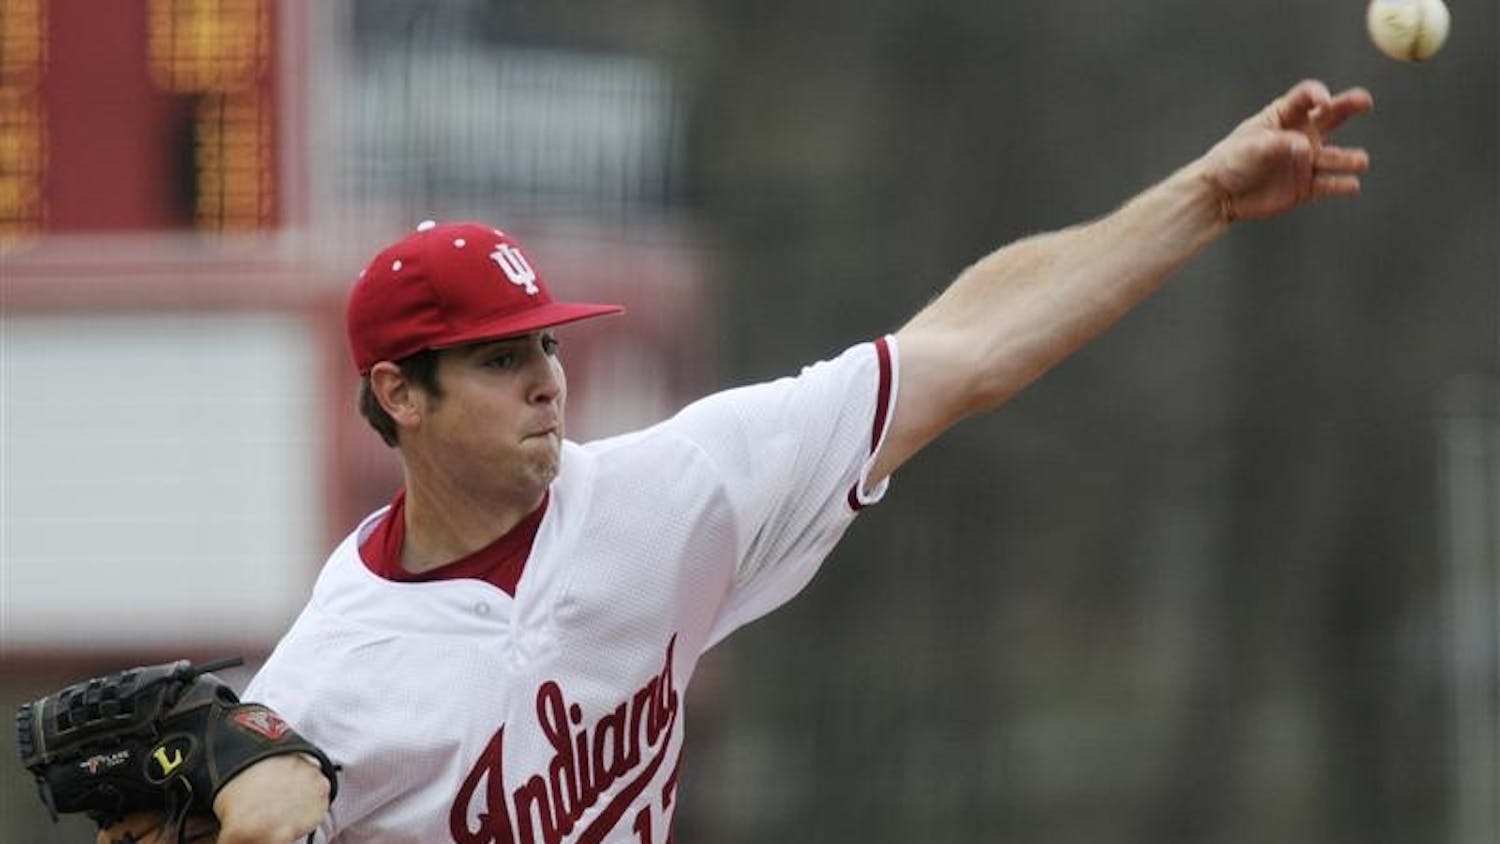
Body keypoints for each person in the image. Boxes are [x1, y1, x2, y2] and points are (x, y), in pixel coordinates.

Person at [102, 78, 1372, 844]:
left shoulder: (667, 496)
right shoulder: (329, 683)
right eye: (495, 360)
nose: (546, 374)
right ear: (400, 395)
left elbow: (961, 349)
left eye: (543, 341)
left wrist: (1202, 195)